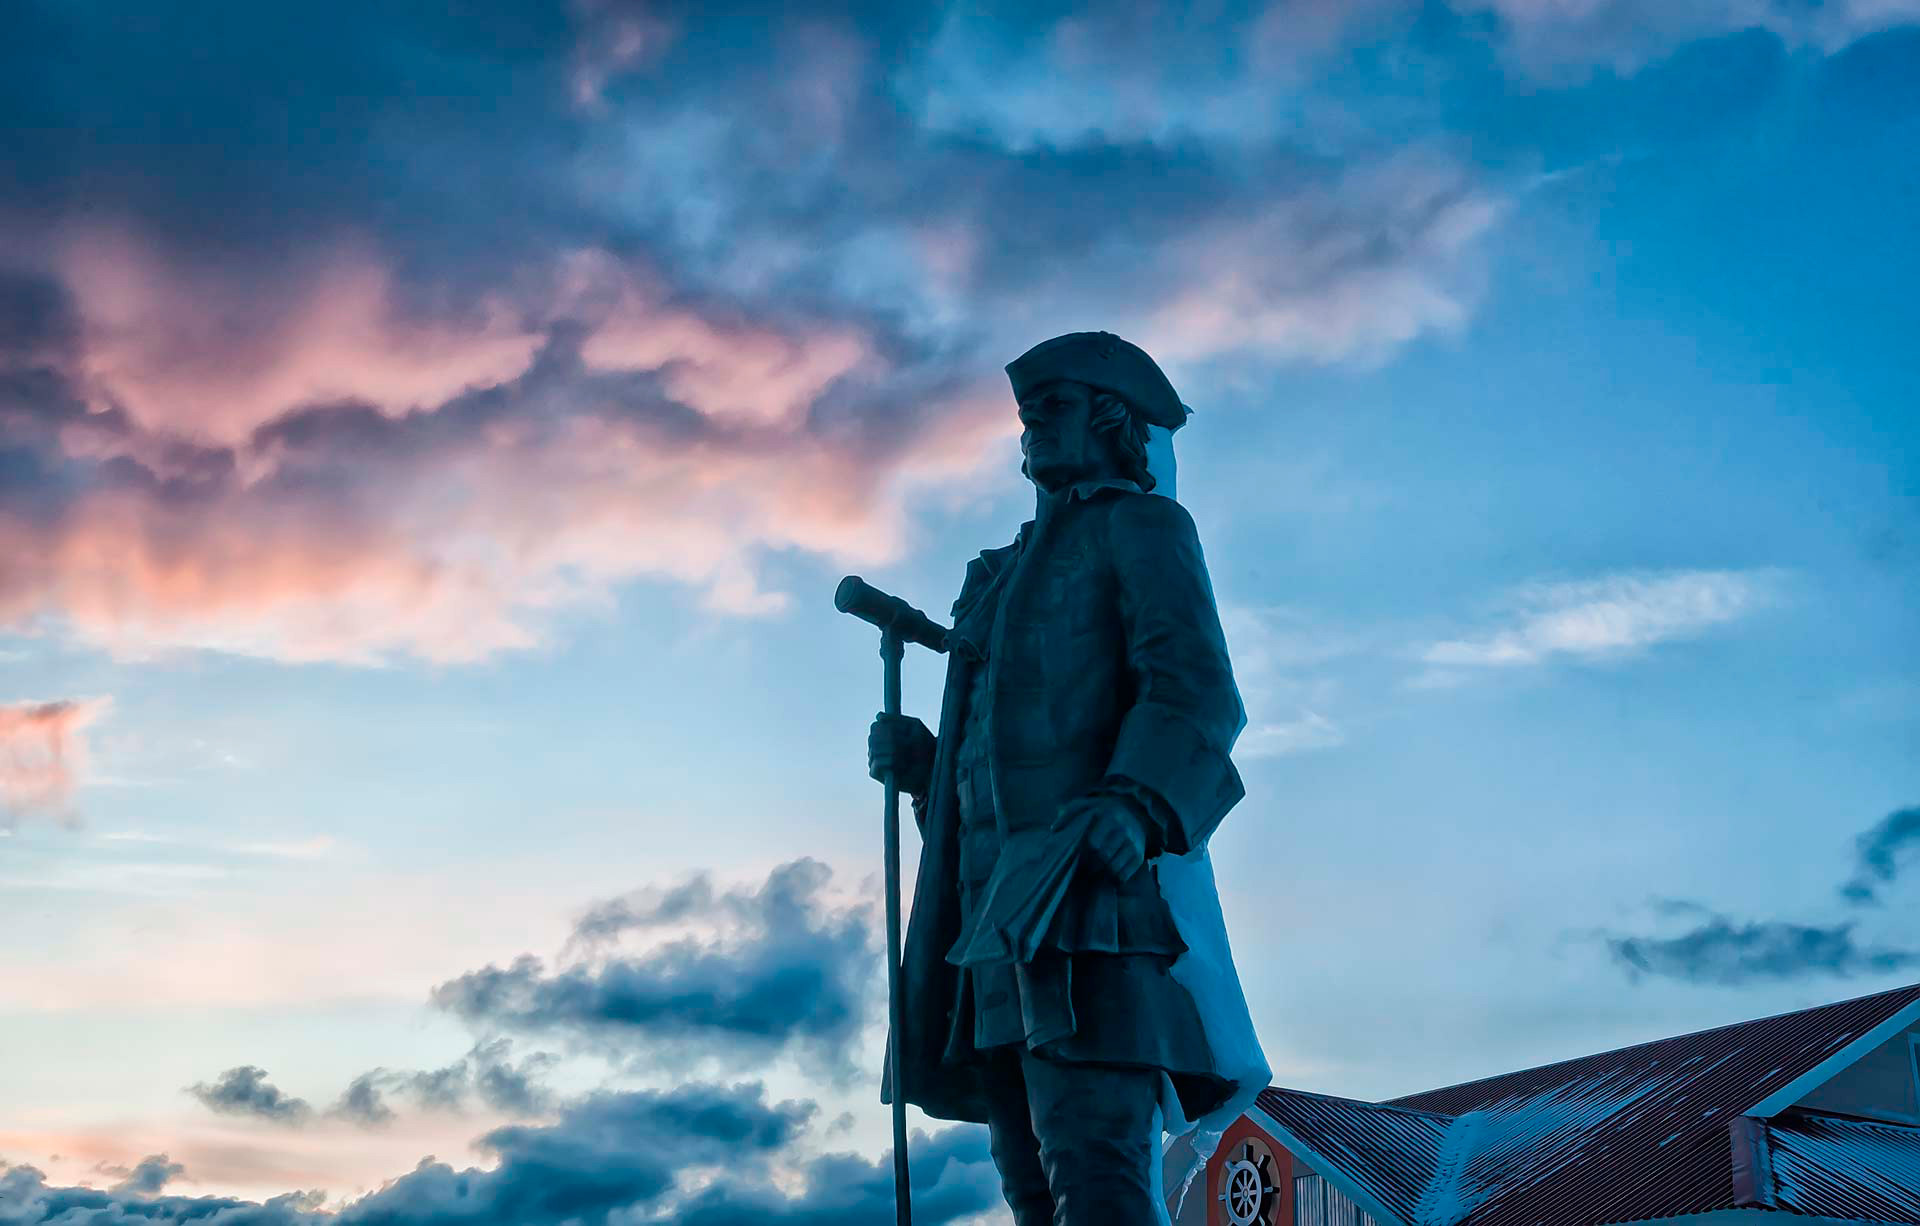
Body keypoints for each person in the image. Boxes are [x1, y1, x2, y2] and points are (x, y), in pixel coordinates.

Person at [868, 331, 1259, 1225]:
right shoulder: (999, 578)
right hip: (988, 926)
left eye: (1051, 410)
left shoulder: (1141, 528)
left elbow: (1195, 691)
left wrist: (1137, 800)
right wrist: (931, 768)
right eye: (1024, 417)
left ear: (1110, 418)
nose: (1030, 431)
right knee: (1031, 1187)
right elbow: (993, 772)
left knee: (1098, 1178)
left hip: (1087, 907)